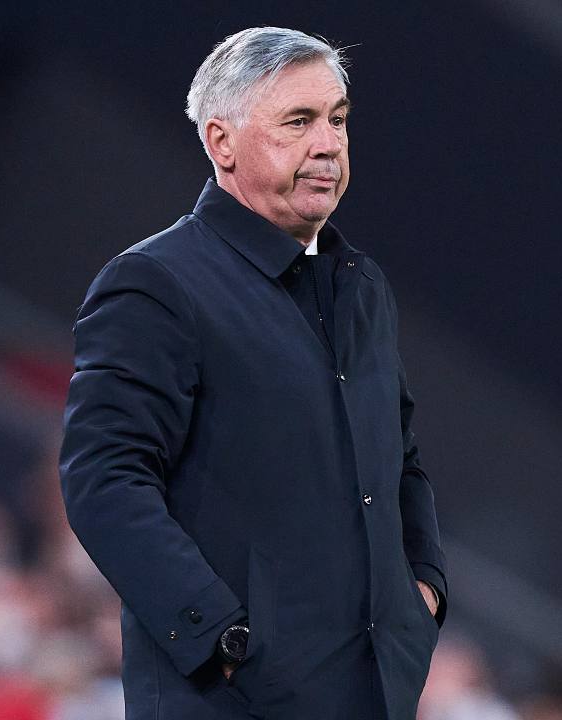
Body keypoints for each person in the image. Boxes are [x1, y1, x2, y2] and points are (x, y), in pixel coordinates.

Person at [59, 26, 447, 720]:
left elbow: (402, 462)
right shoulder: (155, 283)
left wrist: (424, 594)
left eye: (337, 120)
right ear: (222, 142)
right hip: (230, 701)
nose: (327, 144)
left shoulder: (362, 287)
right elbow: (104, 479)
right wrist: (219, 639)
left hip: (371, 695)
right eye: (298, 121)